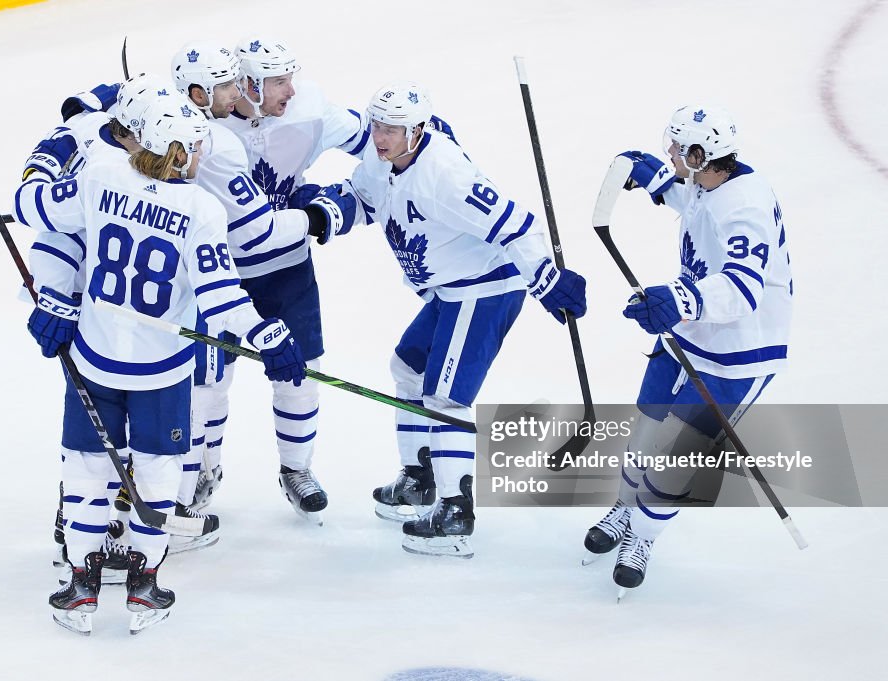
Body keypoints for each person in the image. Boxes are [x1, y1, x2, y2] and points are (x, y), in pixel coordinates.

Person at [16, 94, 307, 634]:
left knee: (85, 471)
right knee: (155, 473)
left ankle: (80, 584)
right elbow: (220, 296)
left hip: (95, 358)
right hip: (163, 371)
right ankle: (144, 587)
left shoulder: (100, 178)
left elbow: (34, 210)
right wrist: (267, 334)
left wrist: (47, 160)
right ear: (182, 151)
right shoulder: (202, 208)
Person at [307, 83, 588, 558]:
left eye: (393, 129)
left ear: (416, 131)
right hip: (450, 290)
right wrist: (327, 213)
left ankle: (456, 509)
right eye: (377, 125)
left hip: (484, 290)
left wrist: (545, 279)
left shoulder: (446, 174)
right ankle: (421, 477)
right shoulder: (382, 158)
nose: (381, 137)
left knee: (445, 397)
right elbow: (365, 195)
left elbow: (515, 224)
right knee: (408, 368)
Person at [582, 105, 793, 599]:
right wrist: (657, 180)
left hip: (740, 353)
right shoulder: (713, 180)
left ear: (701, 156)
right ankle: (626, 507)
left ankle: (643, 536)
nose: (669, 153)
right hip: (691, 334)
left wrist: (680, 299)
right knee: (647, 429)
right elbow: (694, 201)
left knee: (675, 458)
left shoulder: (746, 208)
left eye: (676, 149)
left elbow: (742, 290)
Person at [197, 36, 369, 523]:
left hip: (287, 268)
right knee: (208, 385)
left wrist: (435, 156)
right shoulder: (203, 127)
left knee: (300, 373)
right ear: (245, 84)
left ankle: (296, 470)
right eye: (278, 81)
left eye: (290, 77)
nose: (290, 90)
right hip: (218, 272)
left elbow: (381, 141)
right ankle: (204, 474)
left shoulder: (308, 107)